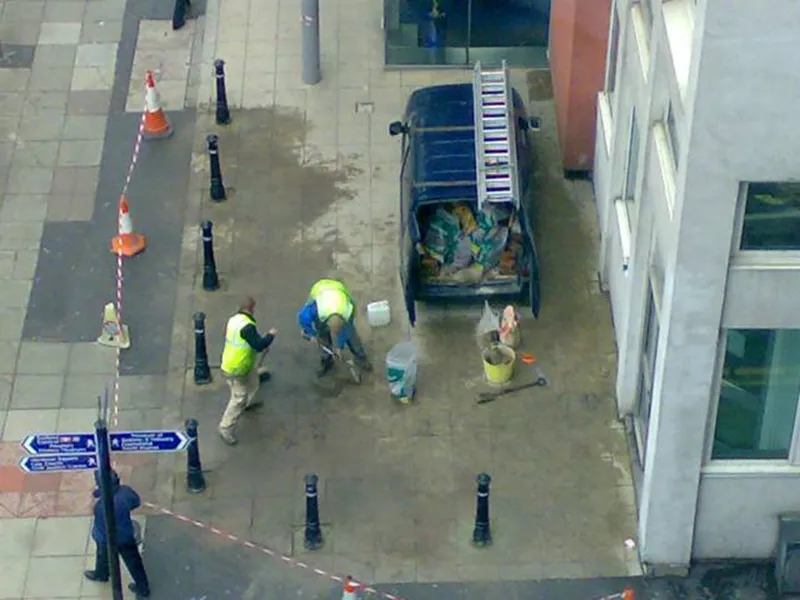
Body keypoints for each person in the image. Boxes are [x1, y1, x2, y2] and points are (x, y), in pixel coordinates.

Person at [218, 296, 277, 445]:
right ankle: (225, 427)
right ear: (250, 309)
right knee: (238, 397)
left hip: (241, 364)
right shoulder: (247, 327)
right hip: (236, 368)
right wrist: (271, 335)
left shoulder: (234, 320)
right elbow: (259, 345)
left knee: (253, 382)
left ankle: (247, 404)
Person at [84, 470, 150, 599]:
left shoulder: (100, 506)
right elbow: (135, 501)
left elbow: (101, 528)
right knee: (134, 562)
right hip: (126, 535)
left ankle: (102, 574)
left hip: (109, 538)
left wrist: (98, 537)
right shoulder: (125, 493)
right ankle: (143, 588)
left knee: (102, 556)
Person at [297, 278, 372, 377]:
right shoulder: (316, 309)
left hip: (338, 289)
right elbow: (302, 318)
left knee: (350, 335)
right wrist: (312, 334)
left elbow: (344, 332)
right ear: (327, 322)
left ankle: (361, 358)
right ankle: (327, 359)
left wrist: (339, 347)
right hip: (320, 288)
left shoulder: (347, 311)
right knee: (321, 334)